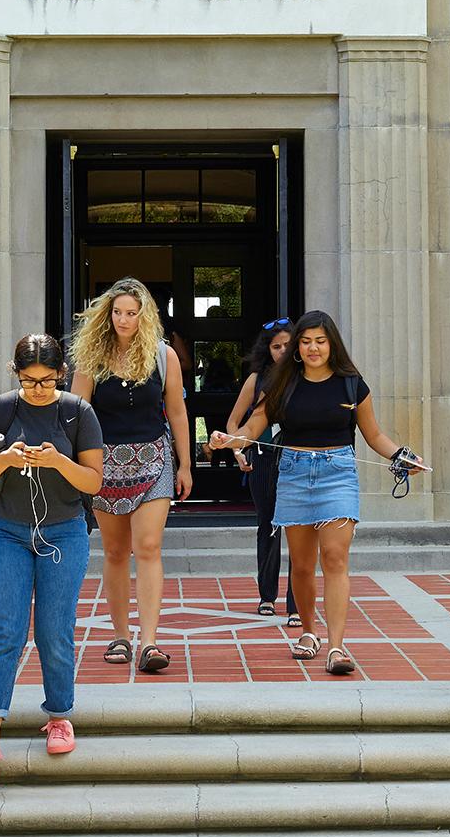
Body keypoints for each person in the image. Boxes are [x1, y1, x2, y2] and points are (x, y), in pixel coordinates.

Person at [210, 310, 428, 679]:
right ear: (297, 347)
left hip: (337, 473)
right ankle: (309, 632)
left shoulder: (351, 384)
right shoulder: (281, 383)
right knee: (302, 564)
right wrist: (227, 440)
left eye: (320, 341)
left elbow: (374, 435)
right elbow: (251, 427)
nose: (313, 348)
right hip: (293, 474)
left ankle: (336, 646)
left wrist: (401, 455)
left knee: (335, 557)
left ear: (332, 345)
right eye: (306, 341)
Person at [0, 334, 105, 784]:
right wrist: (5, 458)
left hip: (63, 531)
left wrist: (58, 461)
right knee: (4, 629)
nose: (39, 389)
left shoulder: (77, 412)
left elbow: (94, 482)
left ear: (61, 374)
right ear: (16, 374)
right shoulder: (0, 409)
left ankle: (59, 714)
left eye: (47, 380)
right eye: (29, 381)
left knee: (54, 629)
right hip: (8, 530)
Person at [69, 278, 190, 675]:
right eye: (118, 312)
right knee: (117, 552)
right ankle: (120, 635)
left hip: (154, 457)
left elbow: (176, 412)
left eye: (132, 313)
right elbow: (76, 412)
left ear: (144, 316)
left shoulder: (163, 356)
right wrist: (74, 467)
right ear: (108, 313)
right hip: (105, 465)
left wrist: (185, 465)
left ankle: (150, 641)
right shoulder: (91, 358)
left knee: (149, 546)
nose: (124, 319)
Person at [224, 319, 295, 620]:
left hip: (297, 461)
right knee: (268, 526)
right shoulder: (256, 380)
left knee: (297, 530)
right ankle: (267, 595)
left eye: (286, 346)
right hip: (263, 460)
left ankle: (296, 604)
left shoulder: (305, 378)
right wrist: (238, 451)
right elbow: (233, 422)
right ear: (267, 349)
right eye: (275, 346)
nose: (281, 351)